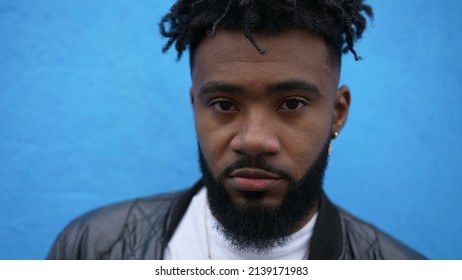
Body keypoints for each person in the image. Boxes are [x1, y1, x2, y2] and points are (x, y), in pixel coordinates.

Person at [47, 0, 425, 260]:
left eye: (291, 103)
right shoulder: (93, 248)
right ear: (195, 107)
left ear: (337, 114)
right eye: (224, 105)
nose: (254, 141)